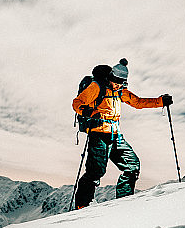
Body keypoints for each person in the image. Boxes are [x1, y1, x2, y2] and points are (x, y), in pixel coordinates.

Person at [72, 58, 172, 209]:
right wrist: (88, 111)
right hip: (98, 135)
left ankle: (123, 203)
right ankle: (82, 206)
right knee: (95, 172)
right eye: (116, 81)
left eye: (121, 82)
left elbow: (137, 102)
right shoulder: (96, 87)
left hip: (115, 135)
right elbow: (77, 103)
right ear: (110, 77)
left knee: (132, 165)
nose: (118, 84)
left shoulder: (120, 91)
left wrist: (160, 101)